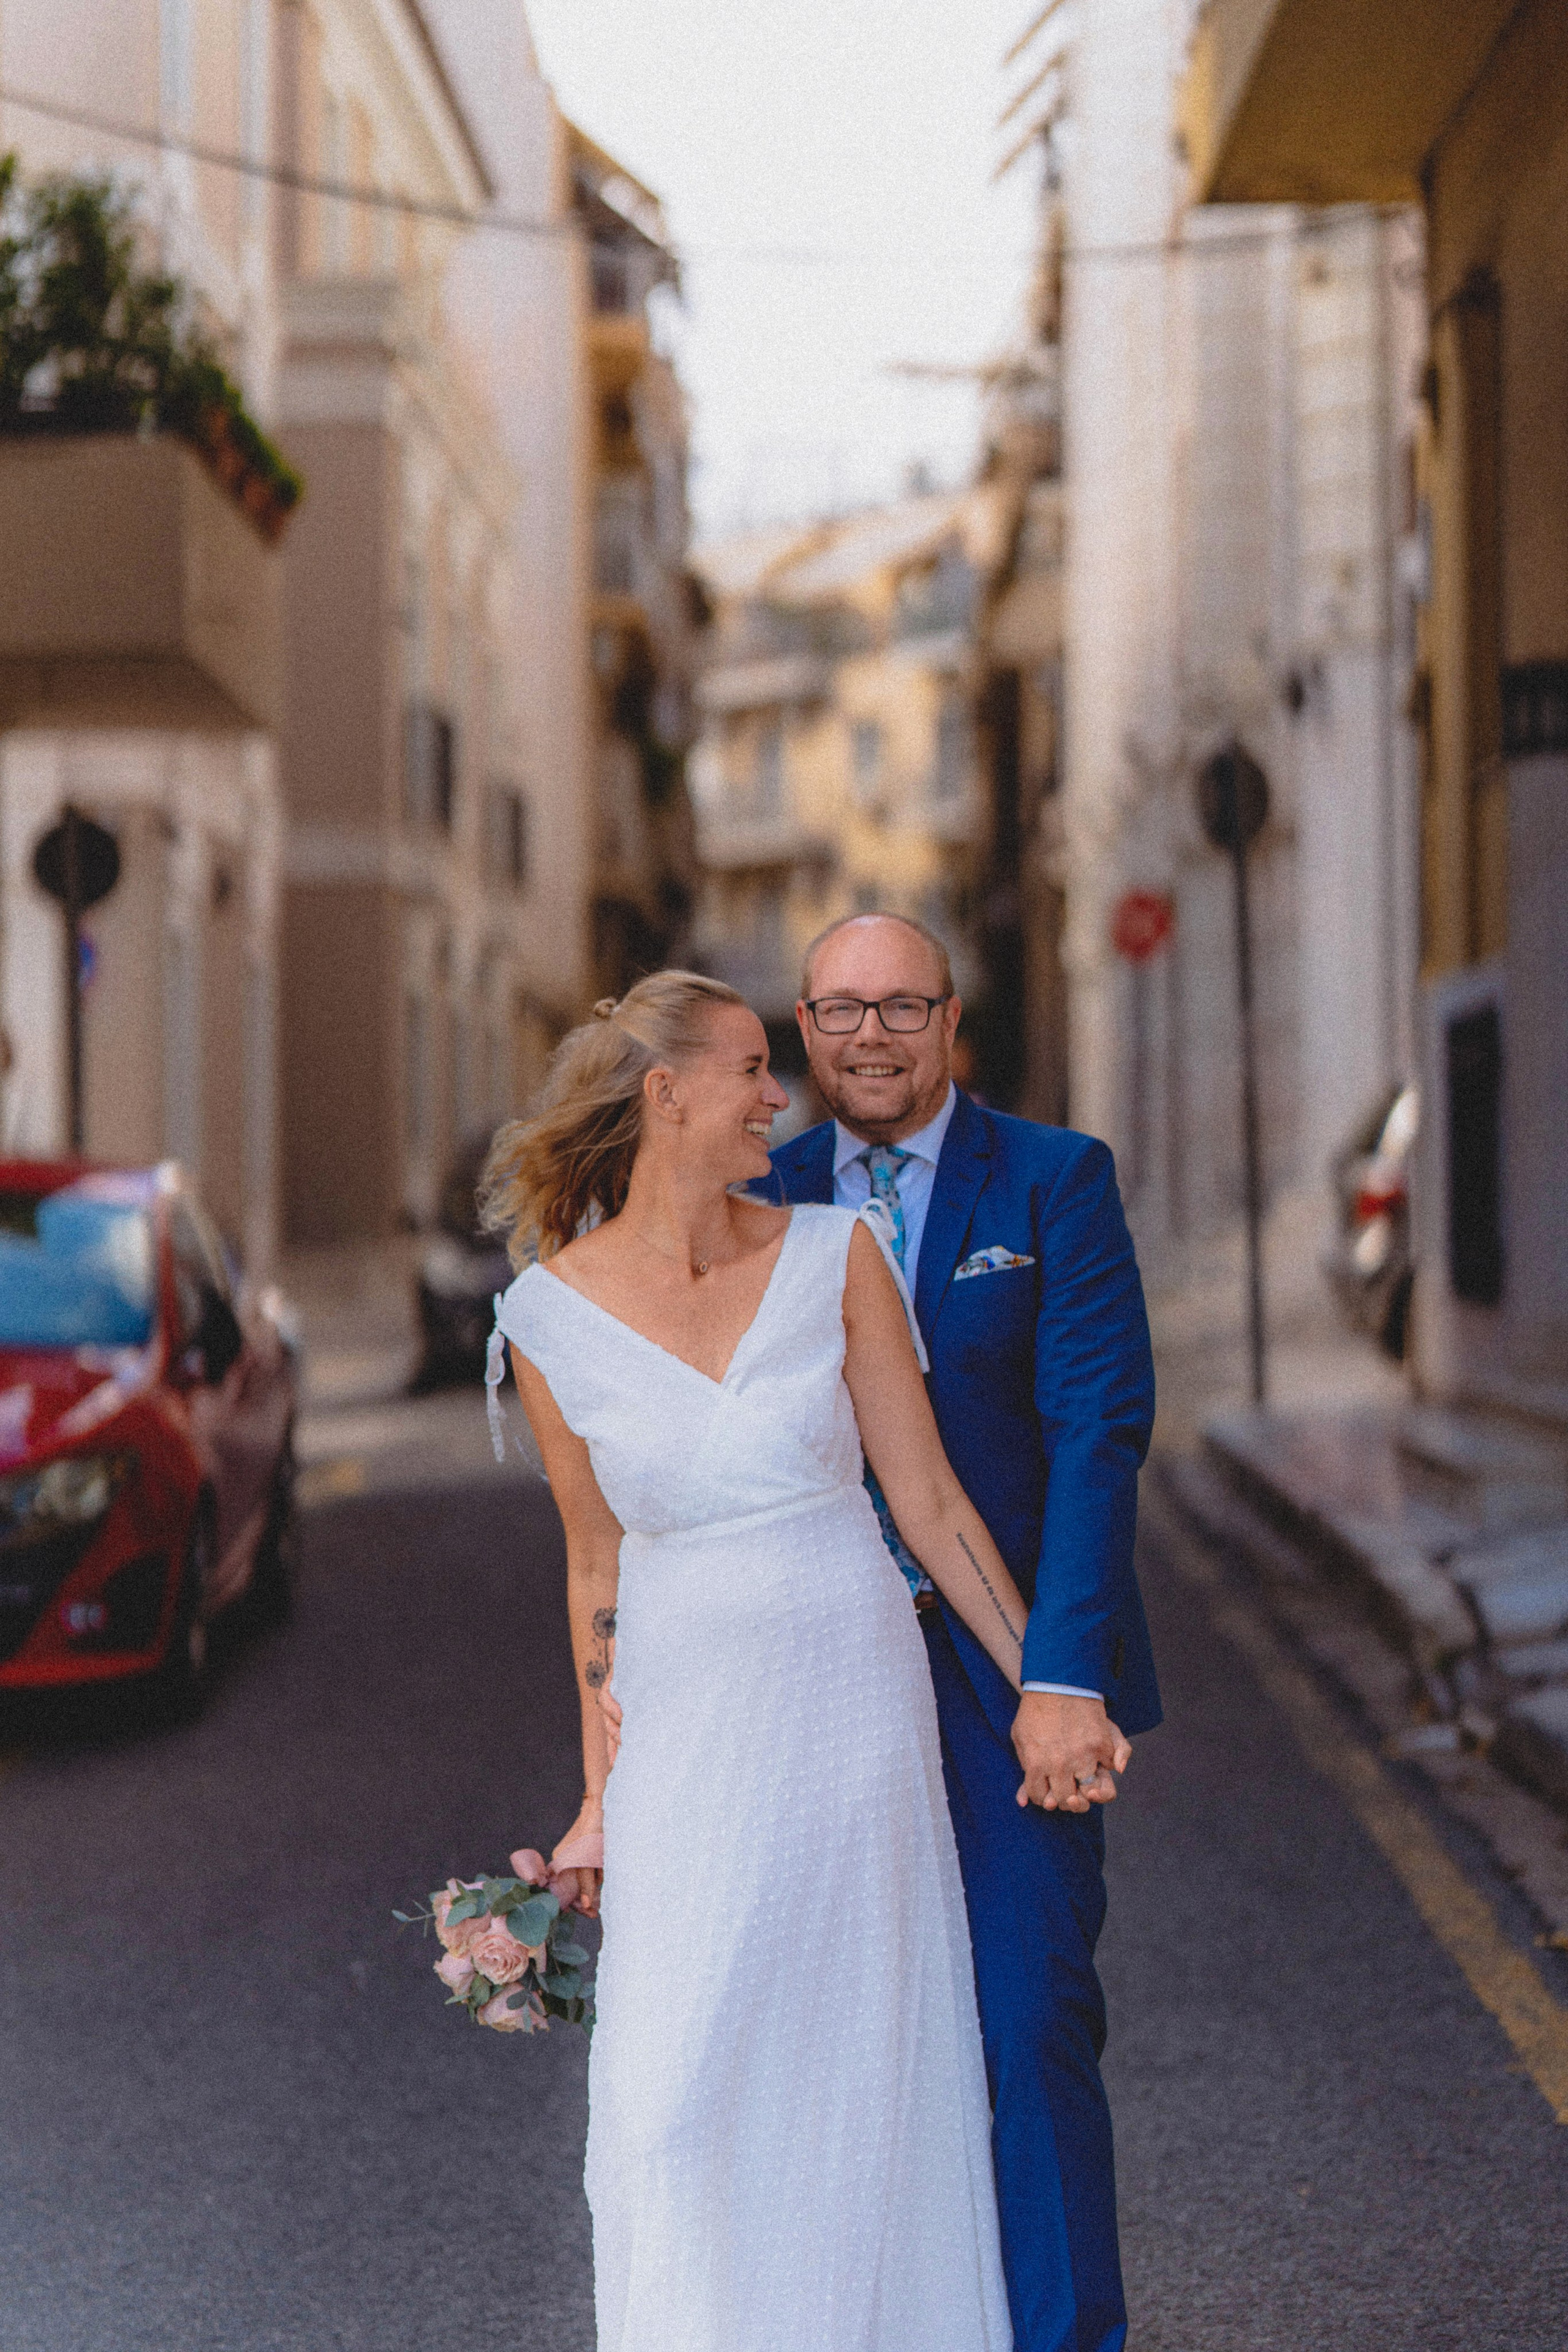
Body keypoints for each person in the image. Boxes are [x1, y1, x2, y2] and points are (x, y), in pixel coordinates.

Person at [483, 968, 1077, 2352]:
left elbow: (928, 1505)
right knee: (669, 2094)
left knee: (851, 2078)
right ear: (664, 1093)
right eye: (753, 1069)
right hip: (686, 1734)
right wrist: (595, 1802)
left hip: (848, 1709)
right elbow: (592, 1567)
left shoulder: (835, 1256)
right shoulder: (547, 1318)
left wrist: (1045, 1681)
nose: (778, 1096)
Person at [767, 911, 1159, 2352]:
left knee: (1029, 2018)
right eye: (839, 1010)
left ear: (951, 1021)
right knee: (838, 2044)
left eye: (900, 1007)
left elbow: (1096, 1430)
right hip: (808, 1679)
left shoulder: (1055, 1182)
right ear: (800, 1027)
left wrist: (1058, 1674)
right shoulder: (756, 1192)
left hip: (1004, 1681)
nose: (869, 1036)